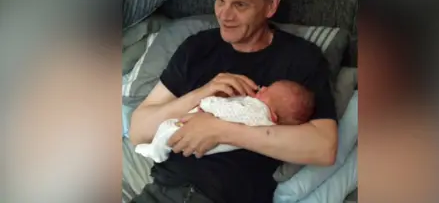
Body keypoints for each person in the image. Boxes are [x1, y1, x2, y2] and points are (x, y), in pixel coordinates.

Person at [128, 0, 338, 203]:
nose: (224, 15)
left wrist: (221, 131)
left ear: (271, 5)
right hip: (160, 193)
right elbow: (138, 130)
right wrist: (200, 94)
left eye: (240, 4)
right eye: (220, 0)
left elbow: (324, 147)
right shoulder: (197, 48)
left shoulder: (300, 59)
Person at [134, 80, 316, 163]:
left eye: (268, 92)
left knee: (169, 130)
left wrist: (209, 102)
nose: (264, 87)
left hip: (197, 186)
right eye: (220, 1)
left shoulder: (258, 111)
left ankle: (156, 151)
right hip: (174, 176)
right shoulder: (265, 120)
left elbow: (231, 111)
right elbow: (137, 130)